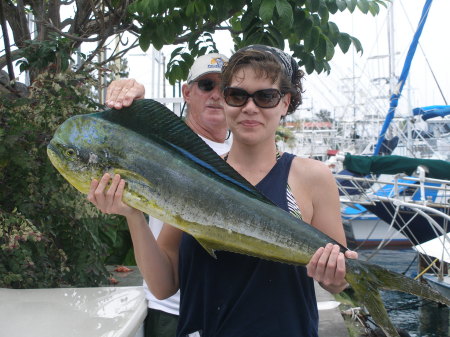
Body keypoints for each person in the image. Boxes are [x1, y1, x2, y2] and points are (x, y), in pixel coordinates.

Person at [90, 45, 357, 337]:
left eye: (266, 96)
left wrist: (337, 277)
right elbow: (164, 285)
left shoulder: (313, 177)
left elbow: (337, 282)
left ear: (285, 102)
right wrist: (132, 215)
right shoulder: (194, 175)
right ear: (225, 100)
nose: (250, 107)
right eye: (237, 96)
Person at [96, 52, 230, 337]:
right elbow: (122, 126)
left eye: (227, 88)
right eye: (207, 85)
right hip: (171, 307)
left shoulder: (244, 150)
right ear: (187, 92)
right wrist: (131, 97)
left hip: (231, 311)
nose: (217, 95)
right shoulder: (162, 142)